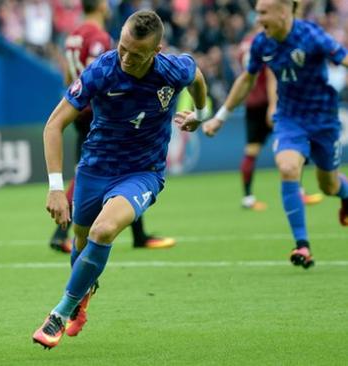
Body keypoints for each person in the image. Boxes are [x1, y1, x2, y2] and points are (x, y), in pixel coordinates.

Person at [33, 10, 208, 349]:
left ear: (156, 52)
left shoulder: (173, 69)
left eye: (136, 53)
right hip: (95, 168)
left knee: (103, 231)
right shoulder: (102, 70)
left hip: (142, 174)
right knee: (82, 245)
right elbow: (53, 125)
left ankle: (59, 312)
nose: (126, 57)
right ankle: (83, 296)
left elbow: (197, 76)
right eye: (123, 47)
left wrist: (199, 113)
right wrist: (56, 187)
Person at [203, 0, 348, 269]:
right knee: (288, 166)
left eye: (263, 13)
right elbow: (247, 79)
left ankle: (345, 195)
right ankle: (302, 245)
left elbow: (343, 57)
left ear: (283, 11)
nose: (258, 19)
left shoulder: (311, 35)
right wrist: (220, 117)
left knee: (329, 185)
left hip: (324, 120)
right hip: (289, 119)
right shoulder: (262, 43)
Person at [49, 0, 176, 253]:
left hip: (77, 108)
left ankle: (138, 234)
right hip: (100, 114)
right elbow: (102, 75)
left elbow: (68, 76)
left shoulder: (73, 35)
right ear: (101, 7)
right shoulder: (98, 36)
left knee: (105, 170)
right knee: (116, 169)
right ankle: (62, 231)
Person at [237, 5, 323, 211]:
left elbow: (245, 75)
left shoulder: (244, 45)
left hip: (251, 102)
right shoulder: (267, 43)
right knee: (292, 145)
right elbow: (270, 75)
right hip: (270, 102)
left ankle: (248, 198)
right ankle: (298, 192)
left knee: (251, 151)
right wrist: (273, 105)